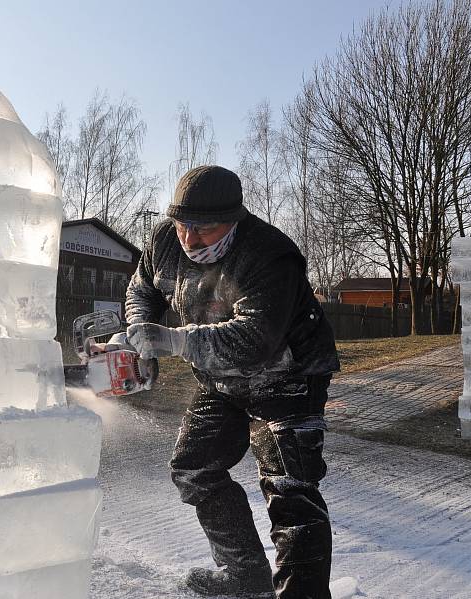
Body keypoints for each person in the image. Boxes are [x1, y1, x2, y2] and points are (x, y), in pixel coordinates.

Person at [124, 165, 340, 599]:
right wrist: (137, 331)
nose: (190, 238)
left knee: (290, 492)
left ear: (234, 219)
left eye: (204, 229)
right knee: (194, 469)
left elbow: (253, 341)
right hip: (220, 381)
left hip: (288, 381)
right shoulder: (165, 241)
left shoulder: (270, 255)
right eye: (183, 225)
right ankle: (245, 574)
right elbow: (141, 290)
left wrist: (172, 340)